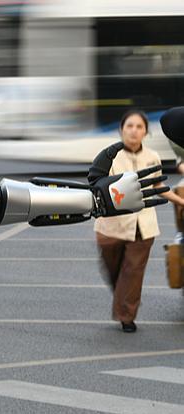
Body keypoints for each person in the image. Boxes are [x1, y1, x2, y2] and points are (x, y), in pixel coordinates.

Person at [94, 110, 184, 333]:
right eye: (129, 126)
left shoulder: (152, 157)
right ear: (121, 130)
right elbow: (96, 187)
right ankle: (124, 298)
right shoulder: (108, 157)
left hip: (143, 226)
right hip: (112, 225)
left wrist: (181, 200)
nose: (133, 131)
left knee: (133, 270)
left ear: (146, 132)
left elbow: (158, 188)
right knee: (114, 269)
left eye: (139, 127)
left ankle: (127, 315)